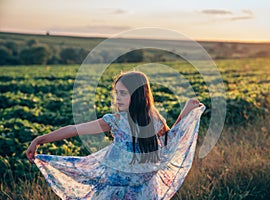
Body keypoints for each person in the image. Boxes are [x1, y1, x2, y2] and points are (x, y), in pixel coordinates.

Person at [26, 71, 205, 200]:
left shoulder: (154, 120)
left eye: (123, 93)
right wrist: (39, 140)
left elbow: (169, 140)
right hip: (116, 191)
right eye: (116, 93)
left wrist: (186, 112)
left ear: (138, 95)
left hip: (145, 192)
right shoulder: (115, 120)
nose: (118, 98)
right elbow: (74, 129)